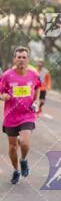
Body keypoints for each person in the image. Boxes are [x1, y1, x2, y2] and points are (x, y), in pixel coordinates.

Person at [0, 47, 41, 184]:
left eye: (24, 57)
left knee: (24, 142)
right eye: (19, 57)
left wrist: (36, 100)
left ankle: (23, 160)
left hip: (27, 115)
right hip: (10, 117)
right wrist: (2, 96)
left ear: (28, 60)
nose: (21, 60)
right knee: (12, 147)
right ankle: (16, 170)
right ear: (14, 59)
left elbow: (38, 86)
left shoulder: (33, 75)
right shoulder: (6, 75)